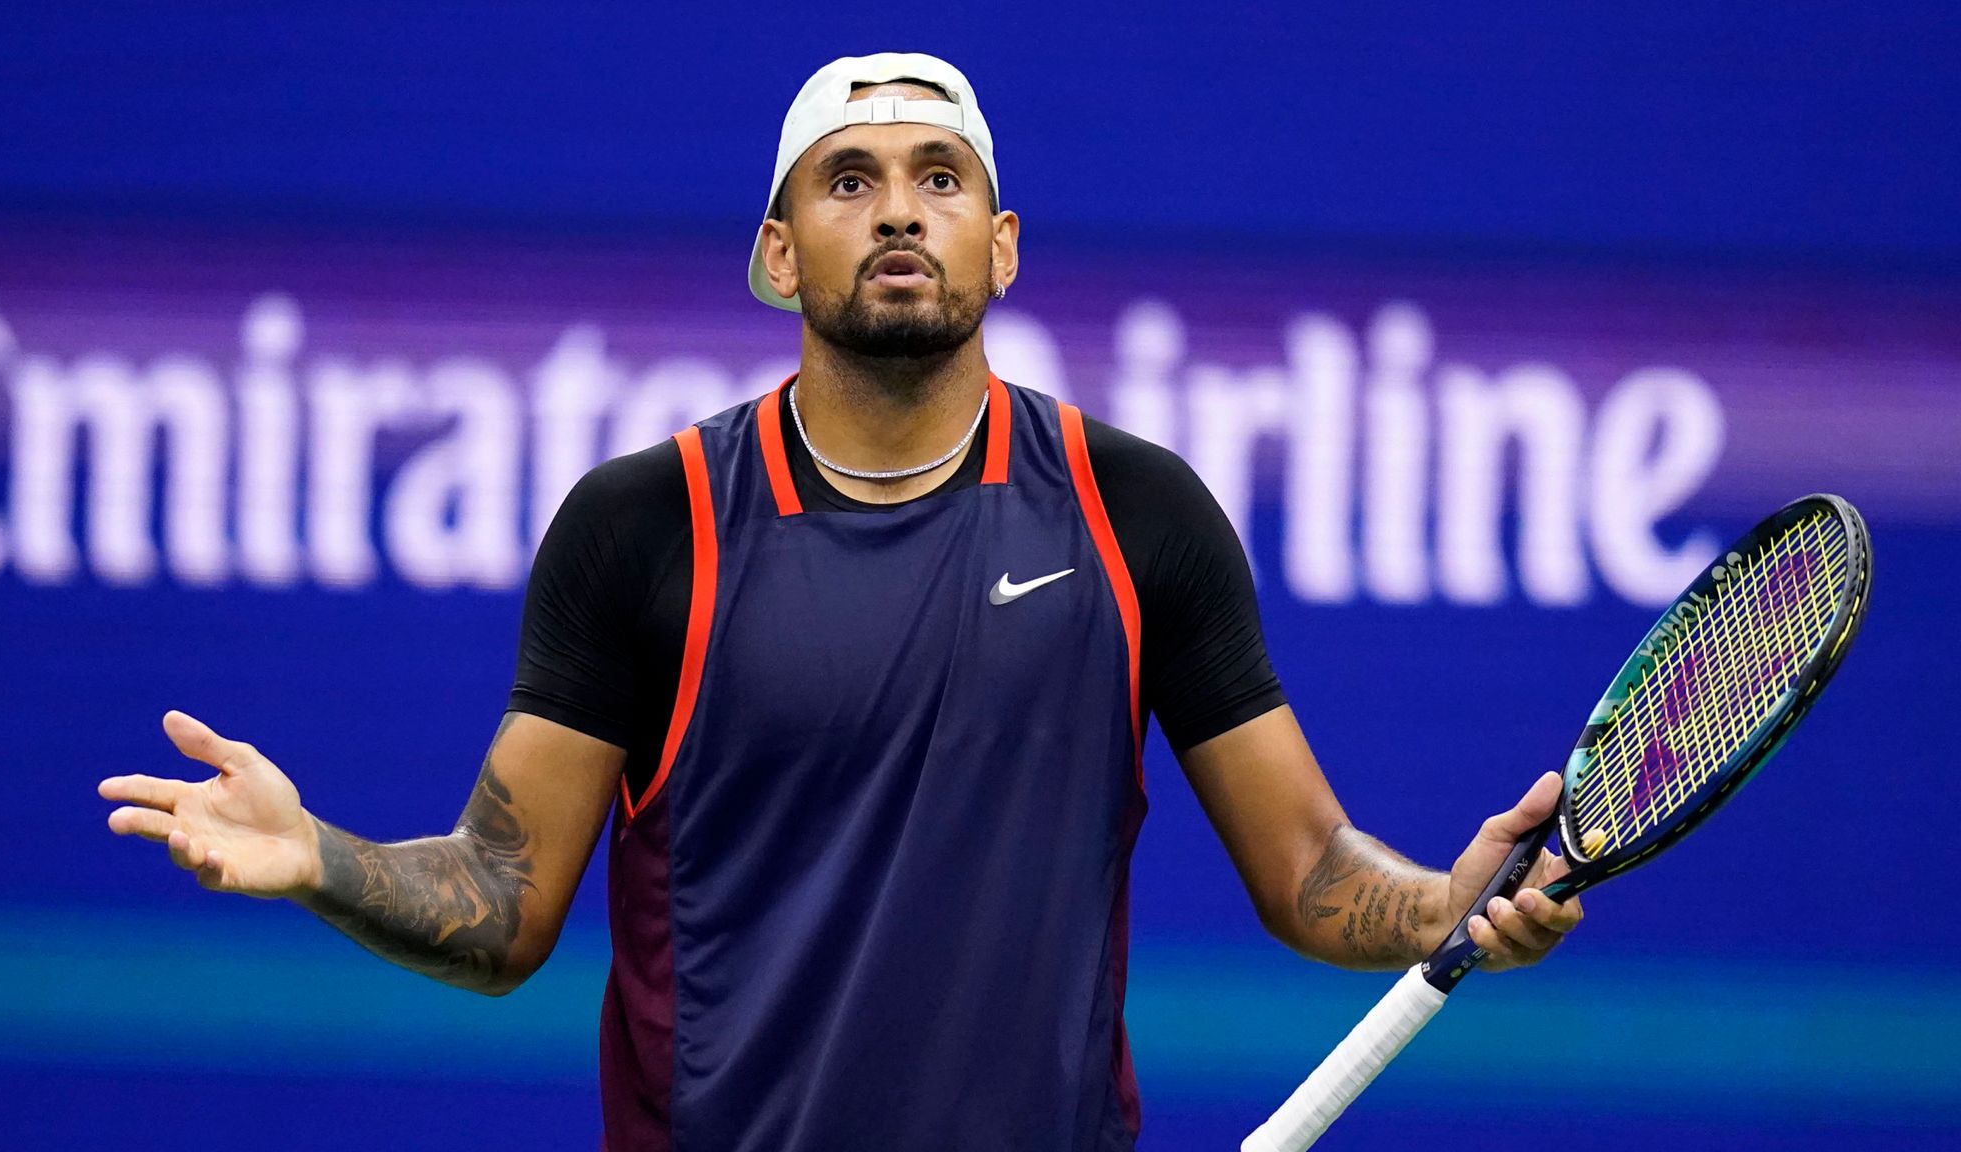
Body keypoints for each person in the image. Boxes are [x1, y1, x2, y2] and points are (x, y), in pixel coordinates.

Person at [99, 52, 1583, 1152]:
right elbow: (500, 904)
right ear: (776, 252)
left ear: (997, 247)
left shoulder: (1137, 516)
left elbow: (1308, 870)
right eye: (849, 180)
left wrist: (1449, 903)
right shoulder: (645, 530)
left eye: (943, 178)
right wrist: (320, 860)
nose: (899, 212)